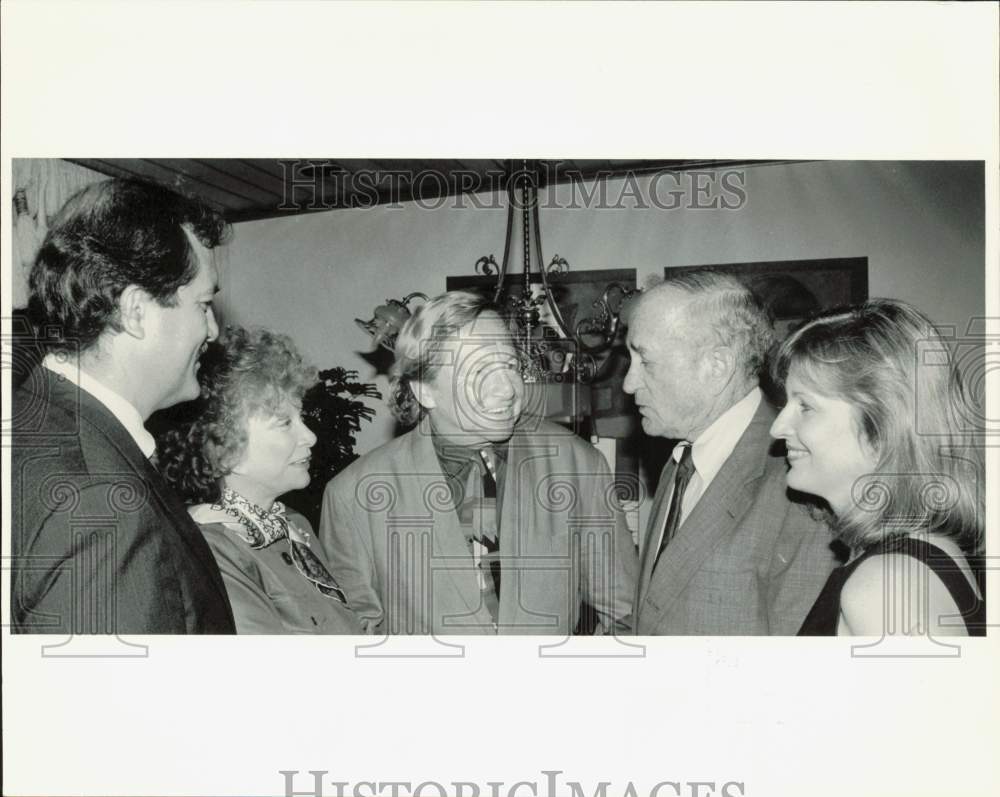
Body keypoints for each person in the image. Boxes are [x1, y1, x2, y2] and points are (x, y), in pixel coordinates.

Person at [319, 291, 638, 635]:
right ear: (424, 389)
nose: (507, 388)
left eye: (510, 365)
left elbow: (627, 615)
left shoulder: (577, 465)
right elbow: (352, 641)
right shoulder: (352, 496)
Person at [10, 178, 236, 634]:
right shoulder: (104, 509)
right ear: (135, 312)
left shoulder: (31, 416)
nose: (213, 331)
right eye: (204, 305)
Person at [625, 270, 837, 635]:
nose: (629, 383)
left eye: (645, 361)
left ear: (717, 366)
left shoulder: (802, 488)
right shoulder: (681, 461)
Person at [770, 299, 985, 636]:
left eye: (805, 406)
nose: (778, 428)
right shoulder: (921, 551)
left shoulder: (886, 584)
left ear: (881, 428)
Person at [156, 326, 363, 634]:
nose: (309, 436)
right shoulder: (211, 548)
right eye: (284, 423)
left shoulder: (294, 525)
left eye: (301, 417)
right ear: (225, 449)